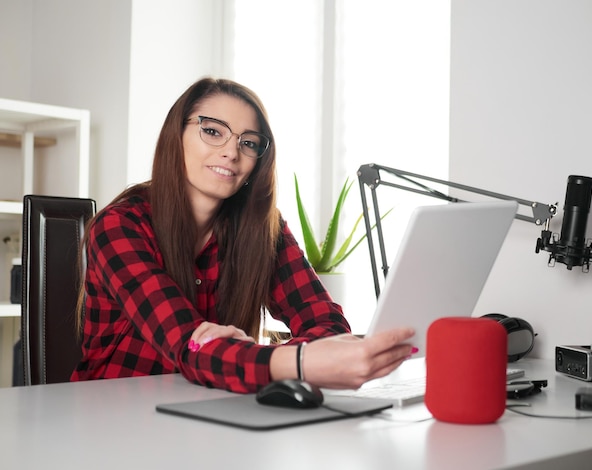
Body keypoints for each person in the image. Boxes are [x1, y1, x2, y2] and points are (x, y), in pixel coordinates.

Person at [71, 77, 415, 393]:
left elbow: (327, 324)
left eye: (248, 142)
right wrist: (291, 361)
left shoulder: (263, 229)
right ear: (176, 135)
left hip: (207, 412)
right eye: (213, 131)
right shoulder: (120, 226)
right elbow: (189, 347)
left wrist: (247, 354)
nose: (231, 152)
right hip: (112, 414)